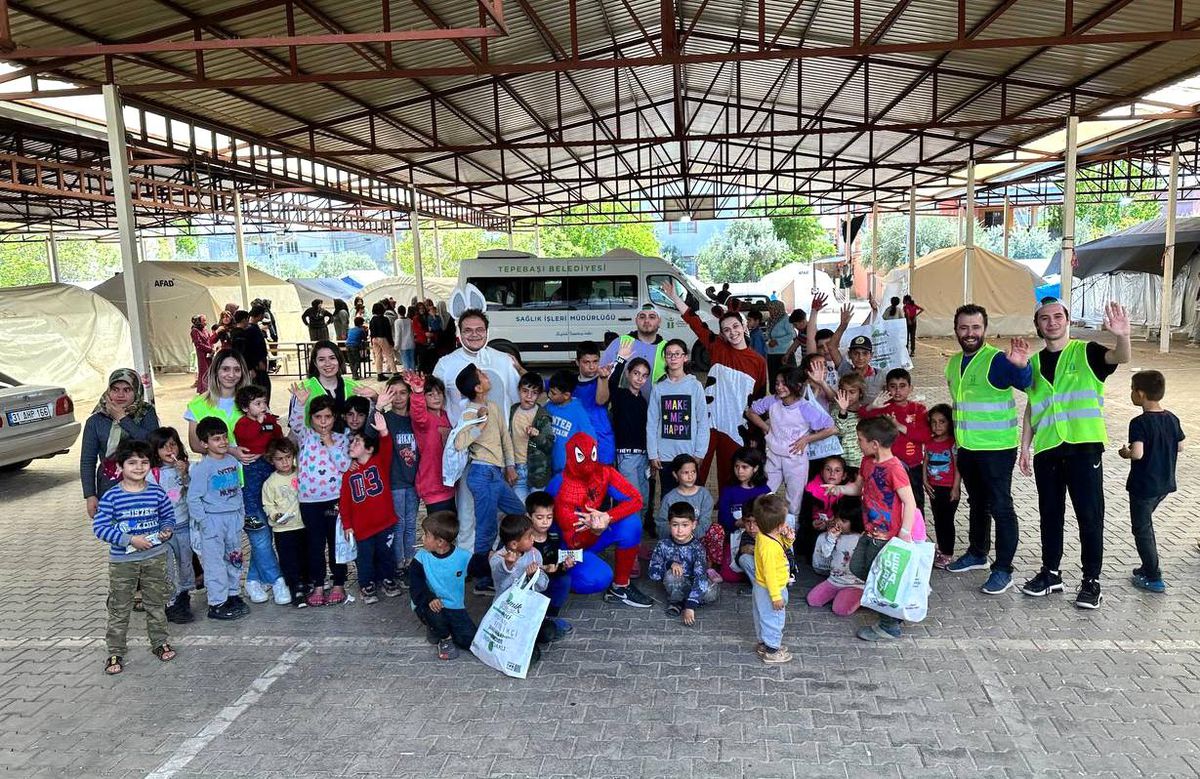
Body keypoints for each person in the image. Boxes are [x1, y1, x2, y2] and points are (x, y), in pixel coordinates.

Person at [1018, 301, 1130, 609]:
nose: (1051, 323)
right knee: (1050, 515)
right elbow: (1032, 406)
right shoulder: (1035, 363)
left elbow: (1120, 356)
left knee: (1089, 517)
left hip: (1084, 447)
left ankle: (1091, 581)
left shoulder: (1088, 352)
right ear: (1037, 325)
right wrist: (1024, 446)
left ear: (1067, 320)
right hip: (1048, 450)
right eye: (1044, 319)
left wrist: (1123, 336)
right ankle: (1051, 573)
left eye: (1057, 317)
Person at [943, 304, 1032, 596]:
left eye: (976, 327)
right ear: (956, 329)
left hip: (996, 449)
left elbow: (1024, 382)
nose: (970, 333)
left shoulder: (996, 360)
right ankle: (977, 553)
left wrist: (1021, 366)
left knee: (1001, 507)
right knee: (977, 503)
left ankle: (1003, 569)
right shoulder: (954, 363)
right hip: (968, 448)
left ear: (985, 329)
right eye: (964, 327)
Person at [660, 282, 768, 487]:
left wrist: (756, 435)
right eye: (726, 329)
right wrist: (675, 297)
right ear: (722, 333)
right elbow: (695, 322)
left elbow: (759, 400)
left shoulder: (758, 362)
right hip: (708, 423)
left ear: (744, 326)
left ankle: (728, 516)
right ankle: (691, 514)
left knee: (731, 477)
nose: (732, 332)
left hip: (736, 427)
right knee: (696, 471)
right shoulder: (717, 347)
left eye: (735, 326)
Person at [830, 416, 922, 642]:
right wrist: (838, 489)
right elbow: (858, 488)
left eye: (860, 439)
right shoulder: (867, 462)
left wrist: (905, 533)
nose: (857, 443)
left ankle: (889, 625)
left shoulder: (895, 468)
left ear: (874, 444)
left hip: (887, 537)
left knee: (882, 580)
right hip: (869, 532)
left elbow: (910, 502)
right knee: (860, 568)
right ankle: (895, 607)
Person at [92, 440, 176, 675]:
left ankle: (159, 642)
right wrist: (130, 540)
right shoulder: (111, 497)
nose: (139, 467)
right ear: (120, 466)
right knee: (120, 606)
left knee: (156, 602)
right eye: (132, 462)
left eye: (144, 462)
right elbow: (100, 528)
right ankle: (115, 650)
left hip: (155, 557)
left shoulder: (156, 492)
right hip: (123, 563)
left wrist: (167, 530)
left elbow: (167, 516)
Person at [548, 431, 651, 607]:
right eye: (582, 456)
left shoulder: (604, 473)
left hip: (596, 532)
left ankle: (621, 586)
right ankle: (550, 580)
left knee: (632, 523)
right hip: (568, 547)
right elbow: (546, 525)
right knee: (600, 579)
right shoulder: (558, 484)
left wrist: (607, 517)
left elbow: (636, 499)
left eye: (592, 455)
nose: (588, 463)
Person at [454, 365, 526, 593]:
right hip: (481, 474)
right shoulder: (469, 412)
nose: (487, 377)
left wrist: (510, 466)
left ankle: (503, 557)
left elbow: (505, 437)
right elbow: (459, 442)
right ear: (477, 387)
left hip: (496, 473)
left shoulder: (493, 406)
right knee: (485, 529)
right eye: (483, 376)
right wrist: (478, 425)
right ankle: (482, 579)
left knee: (518, 512)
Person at [1118, 370, 1182, 594]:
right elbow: (1181, 445)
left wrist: (1125, 452)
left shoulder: (1139, 423)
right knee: (1146, 524)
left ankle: (1153, 576)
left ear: (1141, 394)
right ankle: (1147, 566)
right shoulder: (1172, 418)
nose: (1131, 393)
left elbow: (1138, 453)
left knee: (1142, 529)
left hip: (1143, 485)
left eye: (1132, 389)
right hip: (1165, 483)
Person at [288, 386, 351, 608]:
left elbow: (344, 465)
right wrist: (301, 403)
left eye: (327, 417)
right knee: (314, 545)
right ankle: (317, 584)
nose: (323, 422)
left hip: (334, 499)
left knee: (336, 544)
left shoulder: (342, 439)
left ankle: (339, 583)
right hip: (309, 501)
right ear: (311, 418)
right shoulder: (305, 435)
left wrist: (330, 443)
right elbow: (295, 423)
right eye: (318, 417)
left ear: (335, 418)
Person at [745, 367, 836, 515]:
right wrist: (767, 428)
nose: (779, 387)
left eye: (784, 383)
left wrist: (807, 439)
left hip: (796, 459)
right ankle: (761, 526)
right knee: (763, 493)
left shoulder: (805, 407)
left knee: (794, 500)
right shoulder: (772, 401)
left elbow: (832, 428)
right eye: (777, 383)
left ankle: (792, 533)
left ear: (797, 385)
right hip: (773, 455)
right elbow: (751, 412)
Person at [186, 417, 249, 621]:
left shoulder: (232, 461)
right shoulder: (203, 468)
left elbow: (238, 489)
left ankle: (232, 594)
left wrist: (241, 513)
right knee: (215, 564)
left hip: (233, 519)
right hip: (213, 521)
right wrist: (204, 523)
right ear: (204, 444)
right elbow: (193, 498)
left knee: (234, 559)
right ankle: (217, 602)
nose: (222, 442)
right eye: (216, 439)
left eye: (224, 437)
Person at [340, 398, 402, 605]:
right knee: (364, 558)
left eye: (357, 442)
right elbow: (345, 502)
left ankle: (388, 579)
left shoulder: (379, 462)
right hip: (362, 528)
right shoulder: (349, 474)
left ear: (369, 449)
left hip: (385, 523)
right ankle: (366, 585)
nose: (352, 444)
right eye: (351, 442)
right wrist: (348, 525)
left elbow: (386, 446)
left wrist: (384, 431)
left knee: (386, 554)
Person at [232, 385, 287, 606]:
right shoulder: (243, 424)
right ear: (246, 408)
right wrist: (261, 423)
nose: (263, 407)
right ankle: (277, 580)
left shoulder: (269, 420)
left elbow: (278, 437)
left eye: (264, 402)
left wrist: (267, 422)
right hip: (251, 477)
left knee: (266, 535)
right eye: (257, 403)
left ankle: (253, 580)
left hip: (269, 472)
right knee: (260, 533)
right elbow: (249, 437)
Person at [81, 368, 160, 519]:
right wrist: (90, 495)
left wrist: (122, 419)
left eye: (127, 389)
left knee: (143, 533)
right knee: (117, 536)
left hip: (143, 484)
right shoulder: (96, 420)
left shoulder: (146, 413)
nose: (120, 395)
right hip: (110, 487)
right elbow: (87, 461)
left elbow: (154, 444)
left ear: (136, 391)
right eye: (115, 389)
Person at [861, 368, 930, 515]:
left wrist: (899, 427)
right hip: (888, 468)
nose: (898, 391)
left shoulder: (919, 409)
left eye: (902, 386)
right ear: (886, 388)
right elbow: (862, 415)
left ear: (911, 388)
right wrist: (872, 406)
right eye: (893, 386)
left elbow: (925, 436)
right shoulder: (883, 407)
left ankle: (916, 535)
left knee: (915, 505)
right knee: (890, 505)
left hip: (913, 467)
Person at [647, 339, 711, 495]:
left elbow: (703, 421)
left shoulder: (694, 386)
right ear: (665, 358)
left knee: (689, 495)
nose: (673, 358)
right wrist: (653, 453)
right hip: (665, 455)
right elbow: (652, 422)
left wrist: (700, 453)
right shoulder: (659, 387)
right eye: (669, 354)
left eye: (677, 354)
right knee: (667, 495)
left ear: (685, 357)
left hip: (688, 454)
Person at [409, 511, 476, 660]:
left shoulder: (463, 557)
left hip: (455, 606)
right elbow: (415, 585)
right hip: (428, 603)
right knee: (435, 614)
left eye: (426, 535)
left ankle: (441, 631)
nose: (422, 538)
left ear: (440, 542)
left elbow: (480, 568)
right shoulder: (420, 558)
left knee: (469, 641)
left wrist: (496, 559)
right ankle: (444, 638)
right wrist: (429, 598)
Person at [148, 427, 195, 624]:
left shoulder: (186, 467)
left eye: (173, 445)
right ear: (155, 451)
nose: (170, 450)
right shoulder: (153, 474)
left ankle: (184, 595)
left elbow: (191, 491)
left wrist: (185, 474)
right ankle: (171, 601)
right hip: (163, 530)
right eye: (163, 447)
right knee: (166, 565)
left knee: (186, 562)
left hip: (183, 524)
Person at [648, 502, 720, 625]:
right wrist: (668, 564)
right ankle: (676, 602)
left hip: (694, 584)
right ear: (669, 524)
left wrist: (690, 606)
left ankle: (689, 601)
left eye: (685, 525)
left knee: (711, 592)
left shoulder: (697, 548)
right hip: (675, 585)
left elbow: (700, 577)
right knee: (672, 575)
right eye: (675, 525)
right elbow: (653, 574)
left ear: (694, 525)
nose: (680, 530)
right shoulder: (663, 545)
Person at [608, 343, 652, 530]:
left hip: (643, 457)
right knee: (632, 501)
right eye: (636, 373)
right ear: (628, 374)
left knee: (644, 500)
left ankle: (636, 539)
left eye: (644, 376)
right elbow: (610, 382)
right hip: (626, 457)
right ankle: (628, 545)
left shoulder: (643, 400)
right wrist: (620, 359)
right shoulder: (619, 395)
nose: (639, 379)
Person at [747, 494, 792, 664]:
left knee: (761, 614)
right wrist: (776, 596)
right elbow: (770, 573)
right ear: (779, 526)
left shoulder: (764, 536)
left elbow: (782, 546)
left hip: (761, 587)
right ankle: (773, 650)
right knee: (774, 618)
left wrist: (788, 538)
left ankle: (764, 644)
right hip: (771, 588)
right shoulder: (770, 548)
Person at [262, 437, 307, 607]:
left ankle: (306, 582)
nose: (285, 462)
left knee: (305, 555)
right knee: (289, 559)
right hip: (283, 529)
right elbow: (267, 504)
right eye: (279, 459)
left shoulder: (301, 473)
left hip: (302, 524)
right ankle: (295, 588)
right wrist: (274, 515)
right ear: (271, 460)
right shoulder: (270, 482)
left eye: (288, 457)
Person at [715, 447, 771, 582]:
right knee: (729, 576)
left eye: (745, 467)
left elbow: (769, 516)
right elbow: (723, 517)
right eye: (737, 466)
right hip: (734, 534)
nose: (739, 471)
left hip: (758, 536)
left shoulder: (764, 490)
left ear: (756, 468)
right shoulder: (728, 490)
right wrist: (738, 523)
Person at [405, 372, 456, 514]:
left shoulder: (447, 417)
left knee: (451, 528)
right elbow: (418, 412)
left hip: (451, 485)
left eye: (439, 393)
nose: (436, 397)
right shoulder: (424, 420)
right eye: (430, 394)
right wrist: (417, 392)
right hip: (433, 487)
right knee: (439, 529)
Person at [806, 498, 865, 617]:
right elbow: (825, 554)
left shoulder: (862, 539)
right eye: (837, 519)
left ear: (855, 521)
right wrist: (831, 538)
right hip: (834, 580)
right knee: (813, 600)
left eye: (843, 521)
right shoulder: (836, 535)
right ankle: (841, 595)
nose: (839, 523)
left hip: (854, 584)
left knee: (840, 610)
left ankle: (859, 596)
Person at [527, 490, 575, 638]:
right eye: (539, 517)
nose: (545, 522)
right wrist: (540, 569)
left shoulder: (554, 536)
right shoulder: (525, 539)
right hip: (528, 583)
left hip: (548, 580)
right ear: (529, 517)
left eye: (549, 517)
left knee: (565, 579)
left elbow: (556, 561)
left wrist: (564, 565)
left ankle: (550, 616)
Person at [290, 340, 366, 429]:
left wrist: (375, 398)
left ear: (339, 360)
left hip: (348, 441)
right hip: (313, 441)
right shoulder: (302, 389)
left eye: (332, 358)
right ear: (315, 363)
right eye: (321, 359)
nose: (327, 364)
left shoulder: (354, 387)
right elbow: (295, 428)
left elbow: (366, 421)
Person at [924, 404, 960, 569]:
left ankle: (947, 553)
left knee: (946, 520)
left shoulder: (952, 443)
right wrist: (925, 480)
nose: (937, 426)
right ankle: (941, 548)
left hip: (948, 488)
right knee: (938, 519)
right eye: (933, 422)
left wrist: (955, 487)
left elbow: (957, 465)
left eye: (942, 422)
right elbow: (925, 460)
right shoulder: (929, 442)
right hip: (933, 487)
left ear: (949, 423)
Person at [600, 304, 668, 390]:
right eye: (642, 317)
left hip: (657, 403)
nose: (646, 320)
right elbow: (602, 374)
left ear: (659, 321)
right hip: (624, 402)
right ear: (636, 320)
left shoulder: (667, 348)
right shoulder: (620, 342)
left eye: (652, 317)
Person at [510, 373, 554, 502]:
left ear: (539, 395)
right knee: (520, 512)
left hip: (538, 472)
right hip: (517, 469)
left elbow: (549, 445)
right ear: (519, 390)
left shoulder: (543, 416)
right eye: (525, 391)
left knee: (537, 511)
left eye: (534, 393)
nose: (528, 396)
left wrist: (537, 435)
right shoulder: (513, 410)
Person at [798, 456, 849, 563]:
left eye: (837, 470)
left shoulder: (848, 492)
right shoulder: (811, 489)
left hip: (838, 530)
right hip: (815, 531)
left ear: (844, 476)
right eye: (828, 469)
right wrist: (812, 523)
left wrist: (834, 522)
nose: (832, 473)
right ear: (821, 472)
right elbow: (803, 515)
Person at [572, 341, 616, 465]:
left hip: (602, 442)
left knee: (603, 482)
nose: (592, 366)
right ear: (577, 362)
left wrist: (603, 379)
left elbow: (601, 400)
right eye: (586, 362)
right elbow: (540, 385)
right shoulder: (570, 382)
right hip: (578, 443)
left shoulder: (604, 379)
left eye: (595, 361)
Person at [544, 370, 596, 474]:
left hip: (570, 471)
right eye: (549, 391)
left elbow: (590, 440)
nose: (549, 395)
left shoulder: (578, 412)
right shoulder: (548, 406)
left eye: (553, 393)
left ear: (566, 395)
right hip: (550, 468)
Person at [655, 454, 715, 540]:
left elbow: (705, 522)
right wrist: (679, 535)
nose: (690, 476)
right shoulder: (669, 498)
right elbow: (662, 524)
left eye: (693, 472)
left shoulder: (704, 495)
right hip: (675, 539)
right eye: (685, 472)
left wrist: (689, 537)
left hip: (698, 539)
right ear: (675, 475)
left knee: (716, 529)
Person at [831, 373, 866, 475]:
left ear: (860, 393)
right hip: (840, 462)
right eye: (844, 392)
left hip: (860, 462)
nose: (848, 396)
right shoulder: (836, 411)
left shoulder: (864, 412)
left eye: (852, 392)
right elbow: (840, 431)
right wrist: (843, 410)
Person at [769, 307, 806, 380]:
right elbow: (797, 342)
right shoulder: (802, 331)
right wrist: (787, 354)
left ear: (802, 322)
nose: (795, 327)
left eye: (795, 325)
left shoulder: (811, 331)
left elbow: (793, 336)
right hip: (805, 360)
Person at [369, 302, 397, 381]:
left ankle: (379, 374)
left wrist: (372, 340)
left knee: (378, 356)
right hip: (383, 338)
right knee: (389, 355)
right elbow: (388, 331)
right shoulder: (384, 319)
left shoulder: (372, 320)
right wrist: (391, 342)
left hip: (374, 339)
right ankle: (395, 373)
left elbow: (371, 331)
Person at [190, 315, 214, 393]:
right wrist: (209, 349)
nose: (205, 322)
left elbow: (210, 340)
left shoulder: (205, 330)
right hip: (202, 354)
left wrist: (212, 349)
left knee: (210, 371)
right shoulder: (195, 331)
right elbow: (198, 344)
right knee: (204, 371)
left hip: (209, 354)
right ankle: (203, 390)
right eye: (203, 320)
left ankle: (210, 389)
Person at [393, 304, 416, 371]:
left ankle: (408, 376)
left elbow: (398, 335)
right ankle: (414, 375)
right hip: (411, 343)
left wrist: (396, 346)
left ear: (398, 312)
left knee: (405, 362)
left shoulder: (397, 322)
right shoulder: (410, 321)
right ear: (405, 311)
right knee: (412, 361)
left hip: (403, 345)